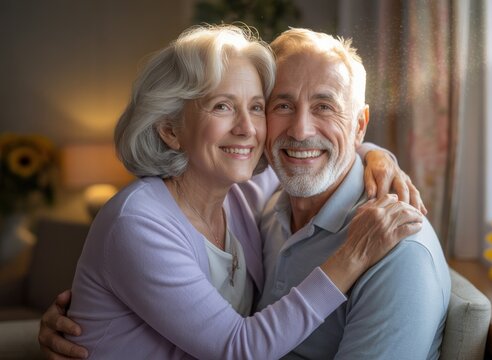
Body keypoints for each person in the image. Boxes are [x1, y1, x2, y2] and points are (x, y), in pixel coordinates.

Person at [37, 25, 425, 359]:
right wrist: (353, 255)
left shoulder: (243, 196)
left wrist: (375, 155)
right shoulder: (137, 223)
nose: (247, 128)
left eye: (256, 107)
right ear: (171, 130)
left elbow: (316, 151)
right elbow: (240, 350)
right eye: (222, 106)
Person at [254, 28, 451, 359]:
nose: (300, 130)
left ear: (359, 125)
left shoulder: (398, 252)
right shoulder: (272, 206)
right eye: (283, 105)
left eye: (324, 107)